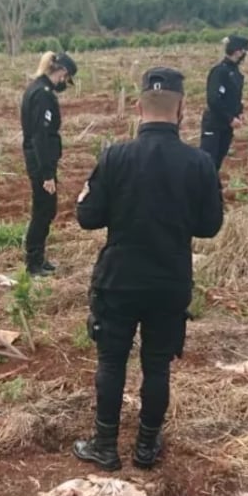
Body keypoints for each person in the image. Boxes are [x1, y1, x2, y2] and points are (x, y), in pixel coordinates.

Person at [72, 67, 224, 471]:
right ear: (182, 112)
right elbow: (210, 227)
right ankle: (145, 447)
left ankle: (105, 445)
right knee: (156, 365)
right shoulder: (200, 163)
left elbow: (87, 217)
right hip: (170, 280)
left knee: (111, 362)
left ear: (138, 107)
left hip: (119, 279)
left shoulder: (115, 156)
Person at [19, 51, 78, 277]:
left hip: (40, 160)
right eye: (67, 78)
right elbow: (41, 136)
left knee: (46, 209)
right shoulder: (43, 94)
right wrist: (47, 174)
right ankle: (33, 263)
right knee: (43, 211)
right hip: (40, 162)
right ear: (62, 72)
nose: (65, 83)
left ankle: (39, 259)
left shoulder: (36, 88)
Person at [200, 34, 248, 171]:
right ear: (237, 51)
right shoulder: (219, 72)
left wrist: (239, 112)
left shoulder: (236, 73)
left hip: (226, 126)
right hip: (214, 124)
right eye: (244, 51)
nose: (245, 54)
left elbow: (234, 98)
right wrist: (229, 118)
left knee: (217, 162)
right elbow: (213, 100)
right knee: (207, 162)